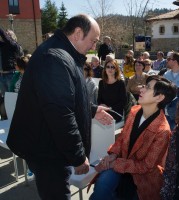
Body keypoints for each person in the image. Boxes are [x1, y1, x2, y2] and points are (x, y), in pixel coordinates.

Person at [6, 14, 114, 200]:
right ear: (77, 33)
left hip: (49, 145)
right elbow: (60, 114)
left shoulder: (62, 53)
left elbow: (64, 97)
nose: (94, 46)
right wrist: (78, 157)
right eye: (93, 40)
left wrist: (91, 110)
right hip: (48, 152)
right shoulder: (54, 58)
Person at [89, 75, 177, 200]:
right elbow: (122, 138)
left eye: (147, 87)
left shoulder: (163, 130)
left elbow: (146, 166)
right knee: (101, 187)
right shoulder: (135, 110)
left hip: (142, 179)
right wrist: (113, 154)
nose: (141, 89)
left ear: (159, 97)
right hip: (120, 164)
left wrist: (116, 163)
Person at [0, 28, 23, 119]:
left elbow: (6, 38)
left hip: (11, 75)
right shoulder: (2, 46)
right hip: (2, 75)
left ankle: (18, 118)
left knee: (14, 97)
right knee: (5, 98)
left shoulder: (14, 45)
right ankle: (6, 119)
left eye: (8, 34)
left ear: (13, 37)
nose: (6, 35)